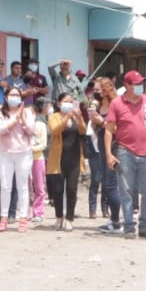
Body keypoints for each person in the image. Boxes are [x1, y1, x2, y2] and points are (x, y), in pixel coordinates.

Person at [103, 70, 146, 238]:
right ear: (127, 85)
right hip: (125, 151)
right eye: (137, 84)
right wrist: (108, 154)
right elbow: (108, 131)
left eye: (142, 83)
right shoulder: (117, 104)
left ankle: (145, 226)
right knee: (126, 190)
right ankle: (128, 226)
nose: (141, 86)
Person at [0, 88, 34, 232]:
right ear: (5, 97)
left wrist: (21, 118)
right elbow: (1, 129)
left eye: (17, 95)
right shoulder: (0, 112)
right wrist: (15, 118)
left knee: (22, 186)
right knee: (5, 186)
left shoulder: (27, 112)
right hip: (5, 153)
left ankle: (23, 218)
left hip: (24, 153)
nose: (15, 97)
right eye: (12, 95)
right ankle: (3, 217)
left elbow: (31, 130)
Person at [47, 92, 86, 230]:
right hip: (58, 159)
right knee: (57, 190)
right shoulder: (54, 117)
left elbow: (83, 131)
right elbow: (55, 130)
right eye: (66, 101)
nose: (68, 104)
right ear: (58, 103)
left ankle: (69, 218)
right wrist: (66, 118)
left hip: (74, 158)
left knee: (72, 189)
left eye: (71, 101)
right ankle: (59, 216)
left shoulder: (75, 117)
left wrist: (79, 118)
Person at [85, 77, 120, 226]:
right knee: (105, 184)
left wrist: (102, 121)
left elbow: (118, 129)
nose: (95, 92)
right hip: (100, 147)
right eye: (94, 90)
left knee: (111, 185)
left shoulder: (115, 106)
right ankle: (113, 219)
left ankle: (116, 220)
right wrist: (93, 121)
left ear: (106, 91)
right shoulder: (99, 106)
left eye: (98, 90)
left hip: (113, 148)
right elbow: (97, 129)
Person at [29, 96, 50, 225]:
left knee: (39, 187)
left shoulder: (41, 125)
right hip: (24, 159)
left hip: (37, 159)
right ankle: (25, 212)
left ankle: (38, 212)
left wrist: (29, 149)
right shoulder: (24, 126)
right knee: (26, 186)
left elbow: (43, 145)